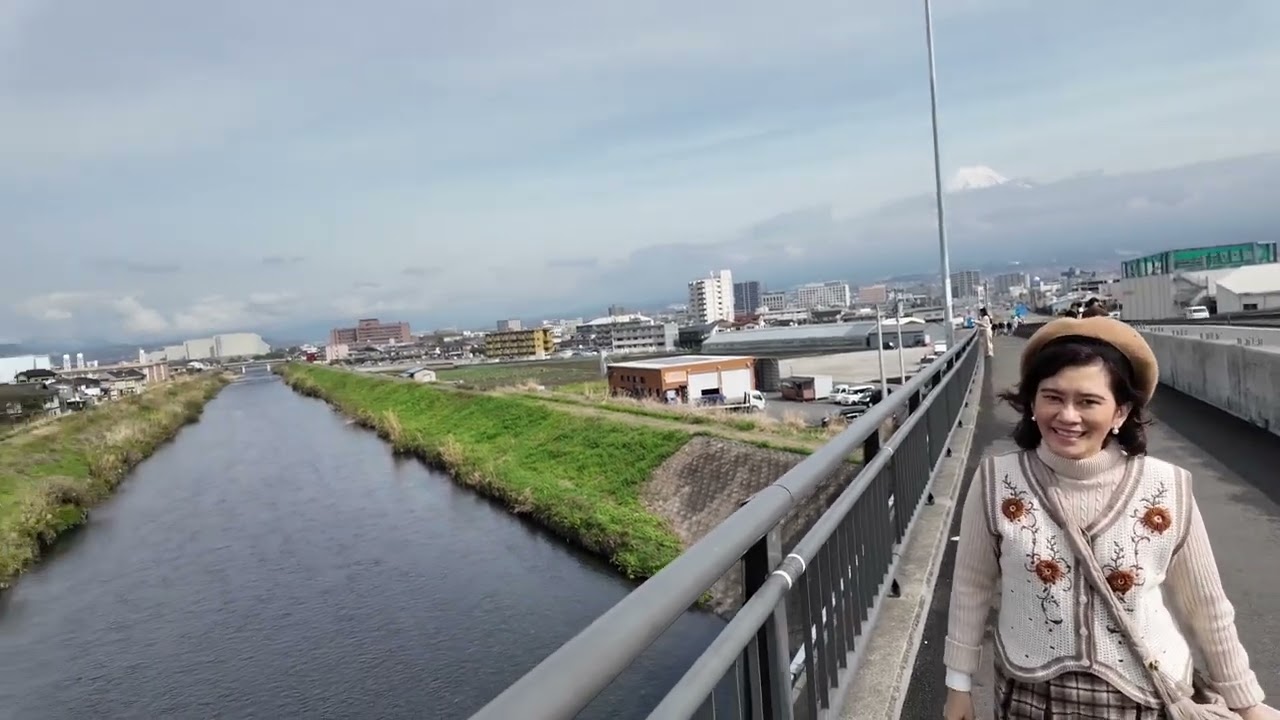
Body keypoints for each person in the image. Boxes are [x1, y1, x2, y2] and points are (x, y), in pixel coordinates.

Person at [942, 317, 1273, 720]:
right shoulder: (997, 481)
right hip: (1031, 695)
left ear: (1121, 411)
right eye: (1052, 397)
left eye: (1087, 401)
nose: (1067, 415)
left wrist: (1246, 701)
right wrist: (958, 686)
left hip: (1143, 698)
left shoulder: (1166, 486)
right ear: (1032, 403)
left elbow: (1206, 605)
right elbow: (970, 589)